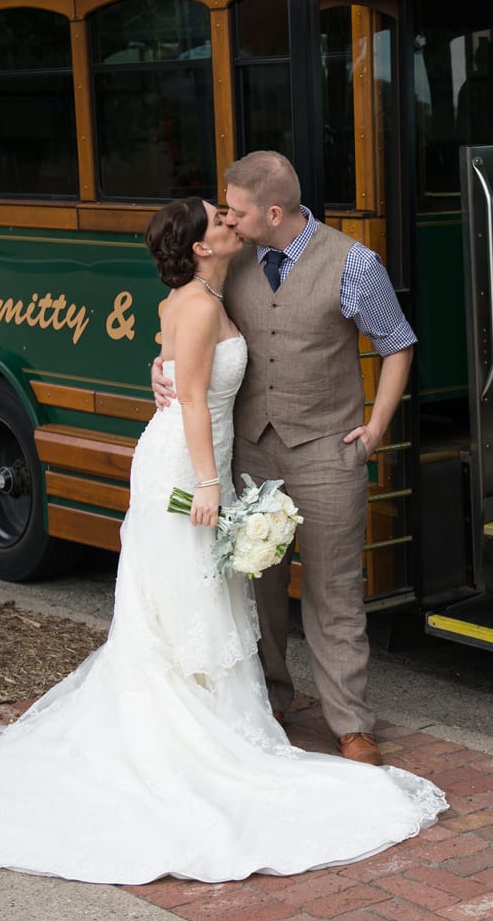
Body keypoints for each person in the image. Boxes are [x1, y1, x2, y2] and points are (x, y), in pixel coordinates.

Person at [0, 197, 444, 884]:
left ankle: (226, 711)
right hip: (188, 466)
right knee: (190, 598)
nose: (230, 223)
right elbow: (199, 402)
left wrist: (165, 374)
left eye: (231, 212)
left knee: (191, 598)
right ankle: (188, 734)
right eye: (219, 220)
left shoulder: (199, 292)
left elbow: (176, 363)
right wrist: (209, 485)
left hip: (187, 457)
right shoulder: (204, 303)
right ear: (202, 247)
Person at [152, 152, 414, 768]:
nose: (228, 222)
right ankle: (269, 704)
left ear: (272, 212)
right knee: (257, 589)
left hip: (327, 449)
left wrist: (376, 427)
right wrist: (159, 371)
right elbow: (185, 325)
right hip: (247, 449)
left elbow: (398, 344)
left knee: (335, 592)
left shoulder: (354, 263)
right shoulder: (230, 257)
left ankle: (351, 724)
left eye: (236, 212)